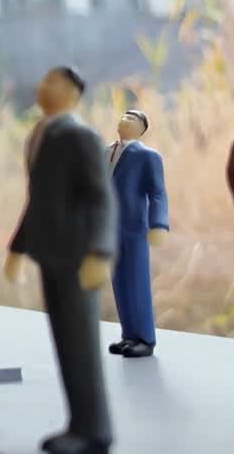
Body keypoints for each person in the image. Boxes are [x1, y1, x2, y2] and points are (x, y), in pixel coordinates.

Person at [5, 66, 116, 454]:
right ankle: (78, 424)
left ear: (72, 92)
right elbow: (38, 200)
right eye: (43, 80)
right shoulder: (41, 134)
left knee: (81, 344)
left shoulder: (80, 136)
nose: (42, 86)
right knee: (66, 343)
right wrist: (17, 247)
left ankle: (94, 429)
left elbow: (101, 197)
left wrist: (100, 251)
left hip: (78, 255)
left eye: (52, 81)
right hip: (51, 252)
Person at [106, 110, 168, 358]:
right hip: (109, 227)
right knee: (120, 282)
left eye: (132, 118)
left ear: (142, 128)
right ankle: (129, 334)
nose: (124, 120)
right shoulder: (106, 151)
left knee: (137, 281)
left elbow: (157, 193)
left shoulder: (147, 156)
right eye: (124, 116)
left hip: (133, 228)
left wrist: (158, 223)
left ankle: (145, 337)